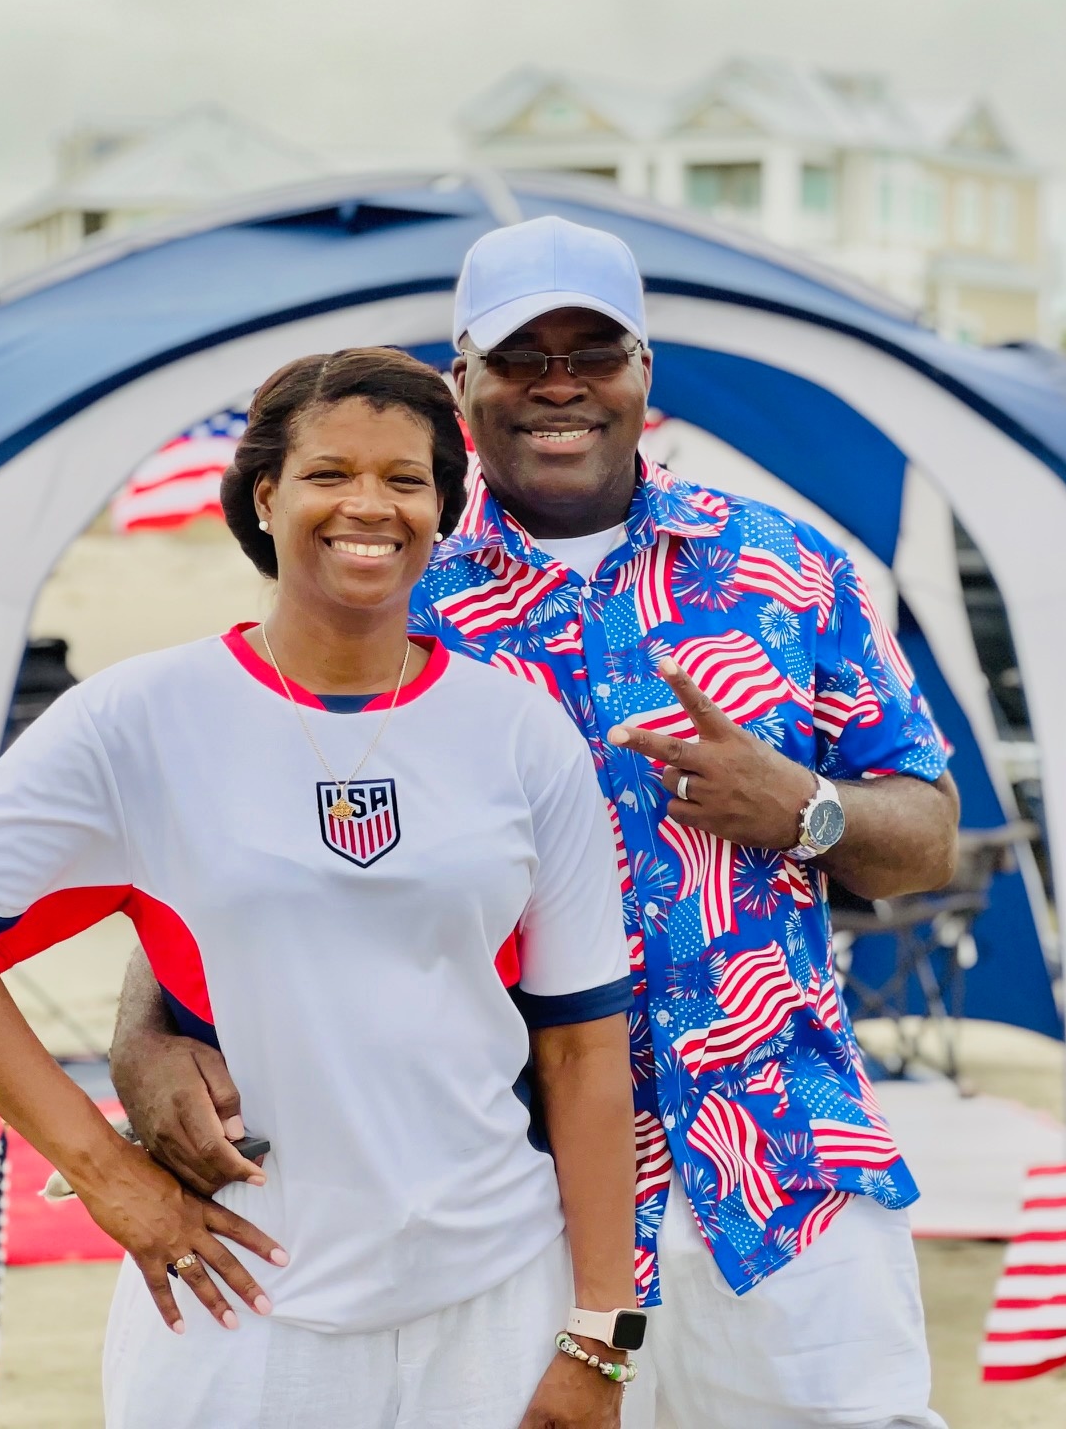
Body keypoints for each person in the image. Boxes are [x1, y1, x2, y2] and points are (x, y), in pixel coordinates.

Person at [113, 218, 963, 1427]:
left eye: (594, 349)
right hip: (503, 1193)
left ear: (644, 375)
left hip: (783, 1174)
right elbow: (248, 834)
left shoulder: (789, 567)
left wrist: (803, 807)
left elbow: (928, 833)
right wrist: (145, 1032)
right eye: (520, 356)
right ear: (462, 383)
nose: (559, 382)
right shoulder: (396, 587)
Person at [0, 347, 640, 1429]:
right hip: (240, 1304)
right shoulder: (138, 718)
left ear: (441, 511)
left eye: (405, 480)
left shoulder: (518, 731)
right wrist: (105, 1174)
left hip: (497, 1296)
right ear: (265, 495)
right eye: (330, 473)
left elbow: (582, 1048)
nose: (368, 505)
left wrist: (603, 1337)